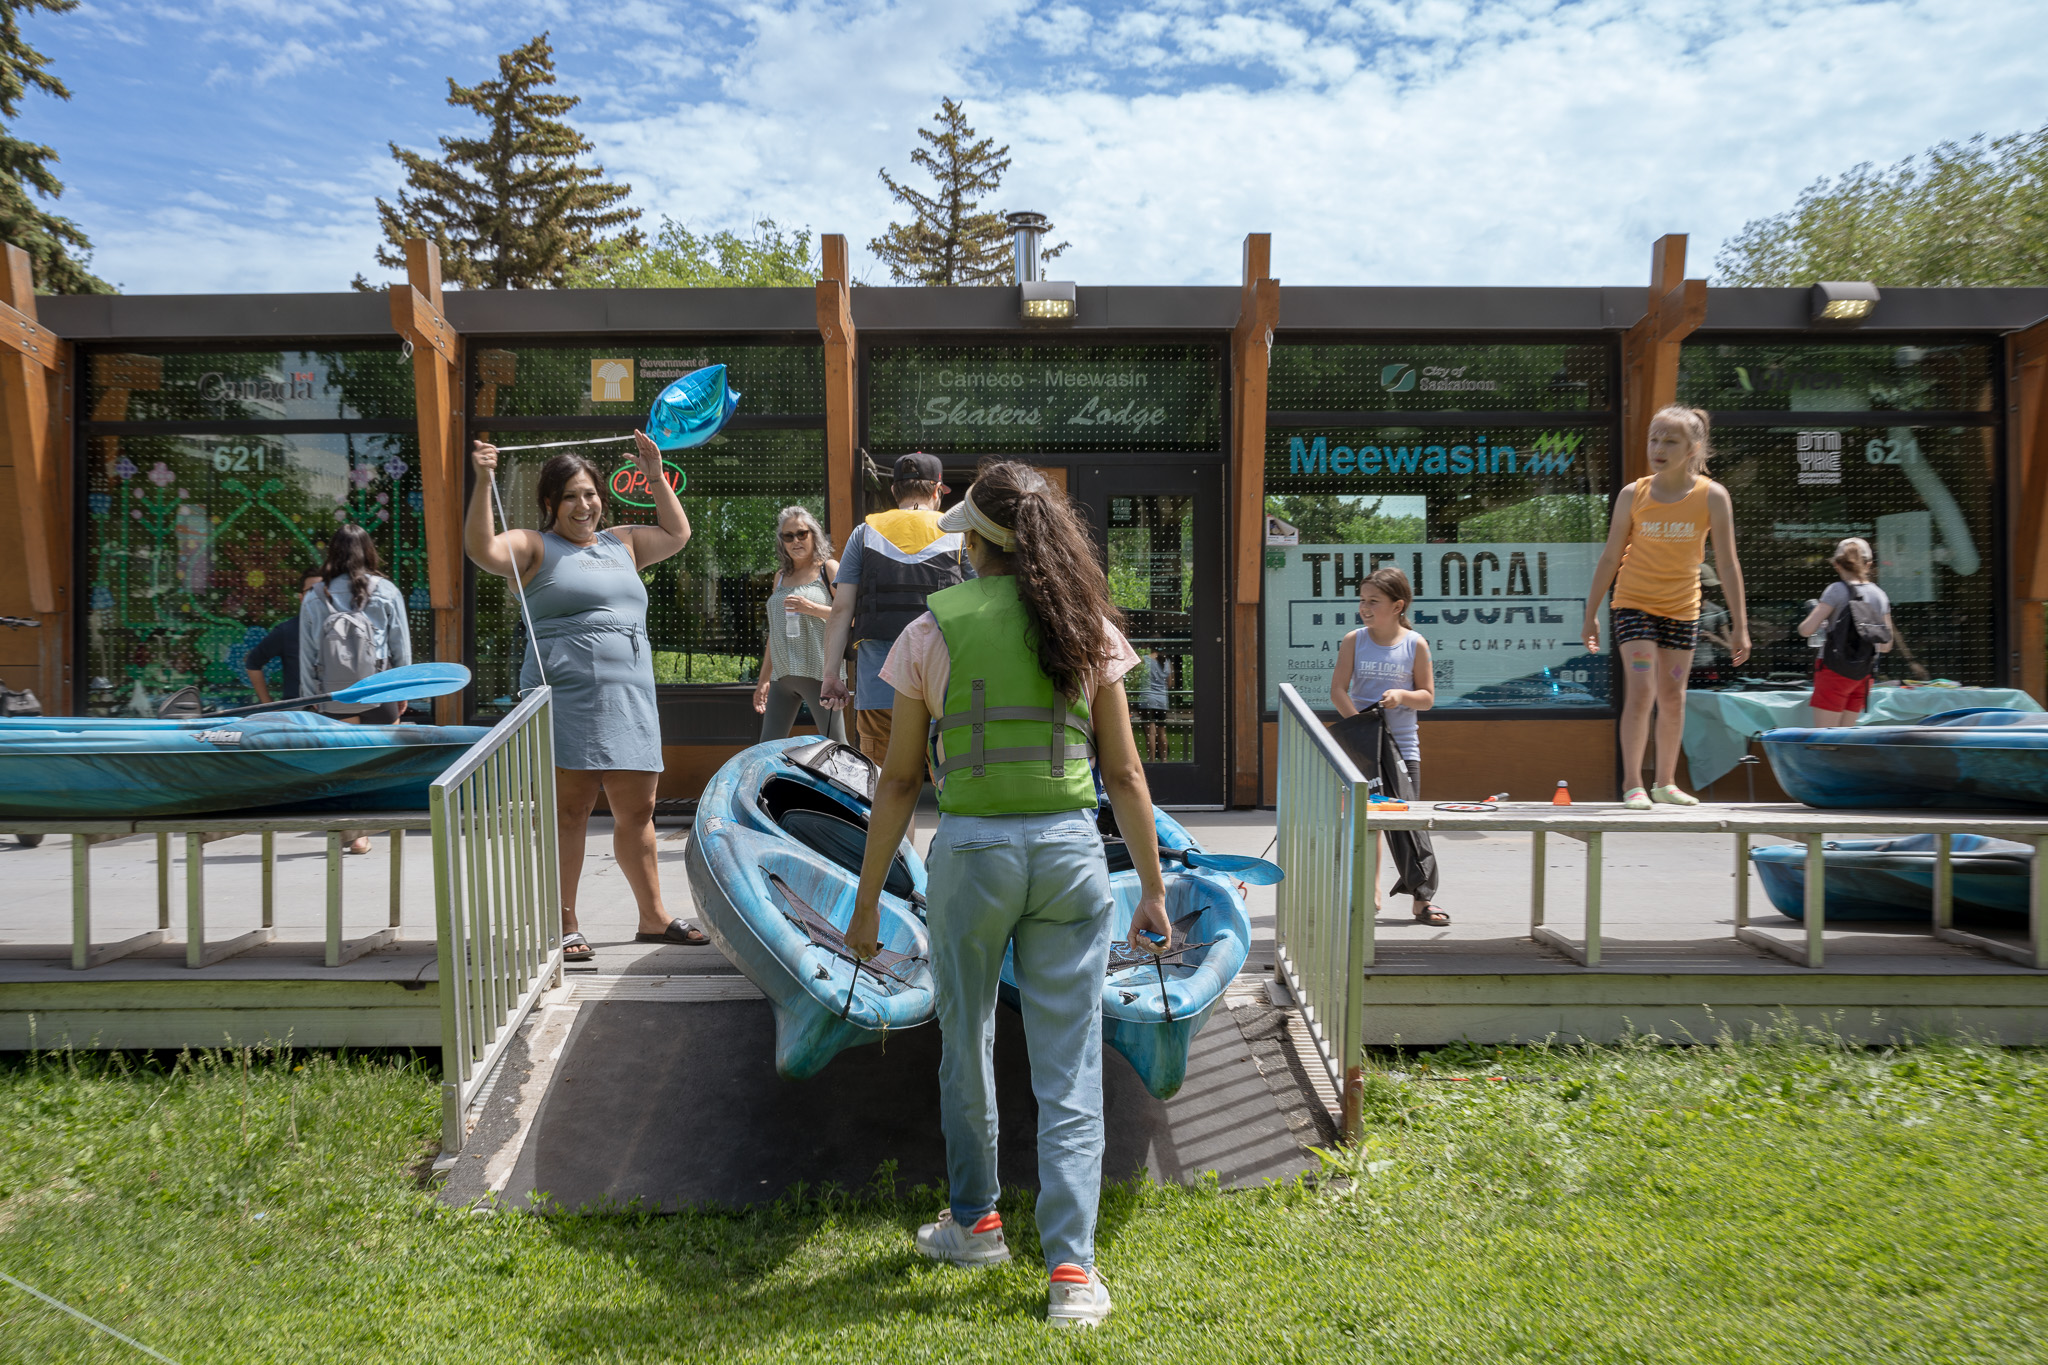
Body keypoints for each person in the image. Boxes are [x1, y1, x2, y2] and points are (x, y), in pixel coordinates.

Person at [847, 461, 1169, 1330]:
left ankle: (977, 1222)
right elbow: (1125, 774)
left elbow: (901, 780)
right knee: (1069, 1064)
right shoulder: (1087, 627)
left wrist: (868, 899)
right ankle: (1072, 1272)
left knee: (968, 1042)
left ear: (975, 546)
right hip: (1069, 855)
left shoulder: (930, 631)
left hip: (972, 856)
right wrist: (1152, 888)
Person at [465, 435, 709, 963]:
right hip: (566, 696)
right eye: (572, 496)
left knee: (639, 809)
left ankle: (653, 917)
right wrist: (484, 480)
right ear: (550, 503)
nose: (584, 505)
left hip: (630, 697)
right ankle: (564, 922)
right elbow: (482, 550)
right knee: (570, 811)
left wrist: (655, 475)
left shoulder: (622, 543)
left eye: (591, 494)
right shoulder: (534, 546)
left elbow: (678, 533)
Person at [1582, 406, 1750, 810]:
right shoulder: (1633, 494)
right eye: (1654, 439)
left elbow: (1728, 564)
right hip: (1634, 606)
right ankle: (1632, 784)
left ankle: (1665, 783)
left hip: (1682, 610)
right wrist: (1590, 615)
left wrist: (1740, 626)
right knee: (1642, 689)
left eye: (1670, 441)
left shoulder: (1713, 496)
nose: (1658, 448)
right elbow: (1610, 557)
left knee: (1673, 695)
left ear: (1692, 448)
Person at [818, 452, 973, 765]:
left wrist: (831, 675)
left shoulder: (864, 533)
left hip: (879, 688)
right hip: (947, 687)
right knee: (951, 782)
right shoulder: (959, 535)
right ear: (937, 491)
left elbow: (841, 610)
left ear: (894, 491)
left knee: (884, 783)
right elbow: (981, 602)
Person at [1329, 567, 1446, 925]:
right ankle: (1371, 891)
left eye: (1373, 601)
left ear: (1398, 606)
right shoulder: (1354, 640)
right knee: (1369, 822)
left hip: (1403, 750)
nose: (1365, 608)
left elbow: (1427, 697)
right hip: (1363, 749)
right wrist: (1360, 726)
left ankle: (1422, 900)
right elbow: (1337, 691)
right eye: (1362, 600)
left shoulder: (1415, 644)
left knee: (1408, 823)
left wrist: (1402, 696)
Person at [301, 526, 413, 855]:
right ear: (368, 552)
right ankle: (363, 831)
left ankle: (349, 830)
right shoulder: (387, 591)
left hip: (335, 697)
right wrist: (403, 691)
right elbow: (401, 648)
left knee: (343, 766)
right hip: (380, 693)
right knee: (378, 764)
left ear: (332, 554)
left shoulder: (314, 596)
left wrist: (311, 700)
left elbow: (307, 654)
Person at [753, 507, 847, 744]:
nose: (796, 541)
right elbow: (775, 633)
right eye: (788, 536)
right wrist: (763, 680)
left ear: (814, 535)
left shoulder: (828, 569)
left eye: (802, 534)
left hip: (821, 674)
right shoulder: (781, 576)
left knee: (837, 746)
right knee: (766, 746)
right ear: (782, 541)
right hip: (782, 677)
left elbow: (850, 617)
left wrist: (811, 608)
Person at [1797, 536, 1896, 727]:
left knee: (1826, 737)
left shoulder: (1835, 590)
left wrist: (1822, 622)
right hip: (1863, 673)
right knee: (1845, 736)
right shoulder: (1880, 595)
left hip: (1833, 671)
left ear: (1837, 564)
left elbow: (1806, 630)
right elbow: (1886, 646)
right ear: (1869, 564)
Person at [243, 567, 323, 703]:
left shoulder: (340, 629)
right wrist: (267, 705)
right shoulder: (287, 630)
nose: (316, 597)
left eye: (321, 591)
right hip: (299, 710)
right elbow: (253, 663)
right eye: (311, 591)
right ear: (301, 598)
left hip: (335, 710)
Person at [1134, 646, 1171, 761]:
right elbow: (1170, 683)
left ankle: (1152, 761)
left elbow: (1136, 678)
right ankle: (1164, 760)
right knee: (1162, 732)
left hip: (1147, 699)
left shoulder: (1145, 659)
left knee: (1150, 733)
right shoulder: (1167, 661)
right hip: (1162, 701)